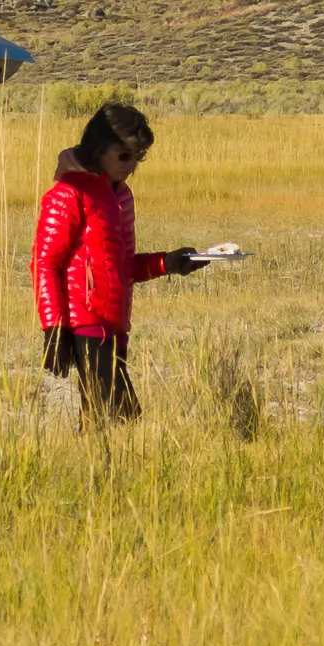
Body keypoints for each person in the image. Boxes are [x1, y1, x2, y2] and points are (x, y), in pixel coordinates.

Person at [31, 101, 211, 425]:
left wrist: (167, 263)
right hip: (83, 321)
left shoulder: (121, 197)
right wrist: (54, 329)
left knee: (104, 420)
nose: (131, 166)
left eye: (138, 158)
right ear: (99, 149)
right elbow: (45, 264)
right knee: (121, 417)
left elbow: (122, 267)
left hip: (115, 324)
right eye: (124, 155)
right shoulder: (68, 193)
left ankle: (93, 472)